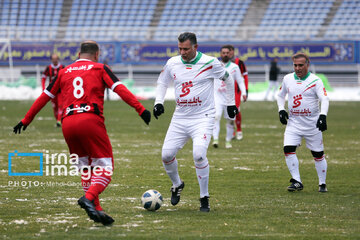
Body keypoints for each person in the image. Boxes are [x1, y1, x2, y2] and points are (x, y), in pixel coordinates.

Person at [13, 41, 151, 225]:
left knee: (86, 167)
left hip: (68, 122)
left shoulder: (64, 71)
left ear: (79, 54)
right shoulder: (100, 68)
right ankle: (88, 198)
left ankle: (97, 209)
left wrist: (26, 120)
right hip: (90, 119)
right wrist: (140, 109)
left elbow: (45, 97)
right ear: (97, 54)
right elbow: (120, 89)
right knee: (105, 167)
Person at [153, 32, 237, 212]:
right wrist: (158, 102)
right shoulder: (172, 63)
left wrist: (231, 103)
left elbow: (228, 79)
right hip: (180, 117)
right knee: (166, 156)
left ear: (195, 47)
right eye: (180, 48)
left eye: (186, 49)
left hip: (203, 117)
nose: (182, 52)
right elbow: (162, 82)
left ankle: (204, 197)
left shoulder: (210, 62)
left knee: (199, 155)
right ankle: (177, 184)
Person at [277, 53, 329, 193]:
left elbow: (324, 99)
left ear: (307, 64)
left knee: (318, 155)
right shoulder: (287, 79)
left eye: (301, 65)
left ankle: (322, 183)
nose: (298, 68)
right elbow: (280, 95)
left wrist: (323, 116)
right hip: (293, 123)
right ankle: (296, 181)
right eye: (295, 65)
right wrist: (281, 109)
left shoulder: (315, 80)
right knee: (288, 149)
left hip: (312, 124)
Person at [213, 45, 247, 149]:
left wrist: (244, 92)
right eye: (223, 53)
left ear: (230, 54)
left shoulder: (234, 67)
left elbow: (240, 81)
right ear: (220, 54)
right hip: (217, 97)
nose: (225, 54)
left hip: (229, 98)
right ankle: (215, 139)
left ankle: (228, 141)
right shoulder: (215, 65)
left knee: (230, 120)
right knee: (216, 117)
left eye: (227, 53)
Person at [229, 46, 248, 140]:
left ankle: (239, 130)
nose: (228, 54)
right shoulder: (222, 64)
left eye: (230, 52)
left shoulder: (240, 63)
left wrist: (246, 90)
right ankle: (231, 132)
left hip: (236, 91)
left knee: (236, 110)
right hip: (225, 92)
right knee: (227, 112)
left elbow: (245, 76)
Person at [41, 54, 65, 127]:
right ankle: (58, 119)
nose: (55, 60)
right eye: (53, 59)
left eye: (56, 59)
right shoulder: (48, 68)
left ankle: (59, 120)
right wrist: (43, 88)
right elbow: (43, 78)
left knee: (61, 105)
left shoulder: (62, 67)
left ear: (58, 59)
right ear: (51, 60)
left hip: (60, 90)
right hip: (52, 91)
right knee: (55, 107)